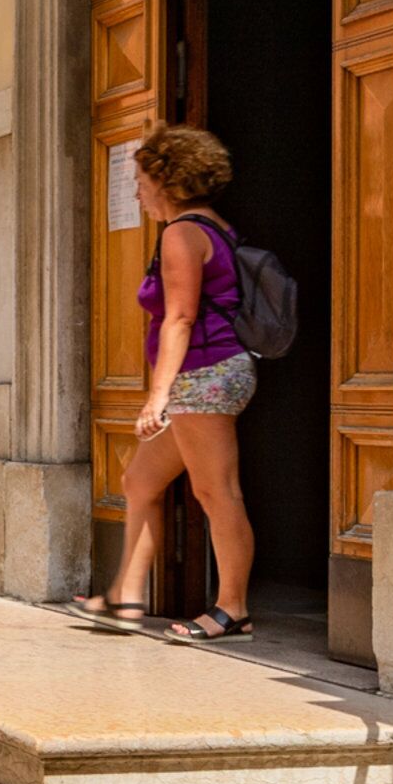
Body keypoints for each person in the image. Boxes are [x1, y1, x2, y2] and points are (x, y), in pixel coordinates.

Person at [75, 124, 259, 641]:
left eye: (141, 179)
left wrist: (158, 397)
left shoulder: (182, 234)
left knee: (215, 490)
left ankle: (233, 609)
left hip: (205, 375)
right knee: (140, 481)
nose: (136, 190)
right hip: (204, 376)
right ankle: (127, 598)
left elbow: (179, 318)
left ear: (167, 179)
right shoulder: (212, 227)